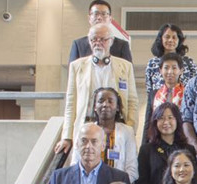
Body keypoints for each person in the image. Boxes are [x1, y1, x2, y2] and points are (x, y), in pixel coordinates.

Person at [57, 23, 139, 155]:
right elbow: (70, 104)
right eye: (94, 39)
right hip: (86, 127)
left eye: (103, 39)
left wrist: (130, 129)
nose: (98, 43)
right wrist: (67, 136)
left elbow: (132, 101)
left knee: (116, 164)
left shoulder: (125, 66)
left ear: (111, 41)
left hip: (117, 128)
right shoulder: (76, 66)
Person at [136, 102, 195, 184]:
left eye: (170, 118)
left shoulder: (188, 149)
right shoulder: (147, 150)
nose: (166, 122)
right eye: (161, 118)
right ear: (155, 122)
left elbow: (194, 180)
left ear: (177, 120)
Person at [89, 87, 138, 184]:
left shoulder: (127, 132)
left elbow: (132, 169)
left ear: (117, 107)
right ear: (95, 106)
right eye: (101, 101)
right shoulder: (86, 131)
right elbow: (76, 163)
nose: (105, 104)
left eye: (110, 101)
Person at [144, 24, 197, 102]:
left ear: (179, 40)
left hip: (183, 105)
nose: (170, 40)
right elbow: (150, 92)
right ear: (161, 39)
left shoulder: (189, 62)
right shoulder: (152, 64)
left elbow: (195, 89)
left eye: (174, 37)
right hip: (159, 106)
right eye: (167, 37)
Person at [68, 0, 133, 64]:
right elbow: (73, 69)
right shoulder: (78, 45)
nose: (99, 18)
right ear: (89, 18)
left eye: (104, 14)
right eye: (96, 14)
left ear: (110, 19)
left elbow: (127, 69)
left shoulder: (122, 45)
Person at [144, 52, 185, 128]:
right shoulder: (153, 94)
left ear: (181, 70)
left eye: (174, 68)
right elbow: (148, 122)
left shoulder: (187, 94)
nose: (170, 72)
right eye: (166, 68)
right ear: (160, 70)